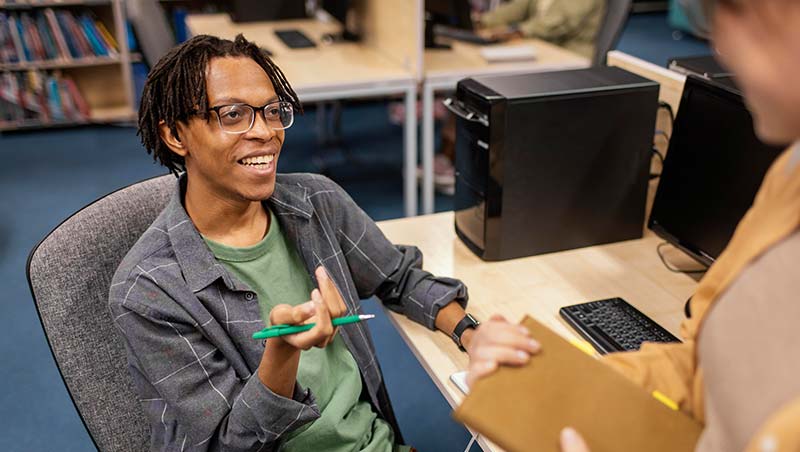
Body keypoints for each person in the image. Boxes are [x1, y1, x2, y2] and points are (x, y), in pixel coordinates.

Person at [109, 34, 479, 451]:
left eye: (271, 111)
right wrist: (282, 352)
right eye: (233, 115)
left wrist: (469, 333)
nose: (265, 132)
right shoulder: (149, 290)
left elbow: (399, 277)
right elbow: (229, 445)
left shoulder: (317, 202)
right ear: (176, 135)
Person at [466, 0, 800, 451]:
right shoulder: (789, 177)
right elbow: (701, 370)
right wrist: (546, 384)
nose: (719, 45)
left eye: (731, 12)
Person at [477, 0, 606, 59]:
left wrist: (518, 31)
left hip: (570, 55)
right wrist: (482, 21)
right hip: (541, 47)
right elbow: (518, 8)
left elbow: (558, 22)